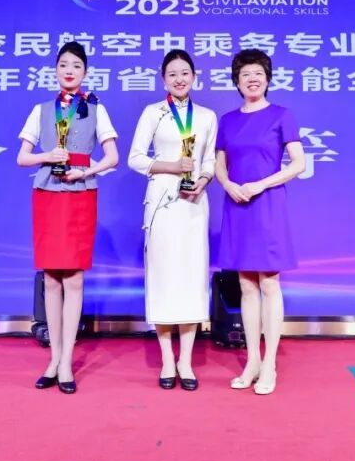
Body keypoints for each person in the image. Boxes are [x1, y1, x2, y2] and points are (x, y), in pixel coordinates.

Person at [16, 41, 119, 394]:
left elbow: (113, 157)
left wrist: (86, 171)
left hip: (80, 194)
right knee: (51, 279)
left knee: (74, 278)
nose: (69, 70)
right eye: (63, 65)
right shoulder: (41, 110)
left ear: (85, 72)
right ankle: (53, 358)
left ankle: (67, 363)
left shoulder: (96, 109)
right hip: (47, 194)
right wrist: (48, 155)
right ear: (56, 70)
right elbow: (22, 158)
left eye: (76, 65)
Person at [214, 48, 306, 395]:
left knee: (269, 282)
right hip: (237, 204)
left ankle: (269, 364)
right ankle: (252, 359)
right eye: (245, 74)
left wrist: (260, 184)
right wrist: (228, 185)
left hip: (267, 204)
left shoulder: (282, 115)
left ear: (267, 79)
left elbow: (298, 164)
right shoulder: (228, 120)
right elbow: (219, 163)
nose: (252, 79)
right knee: (246, 285)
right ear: (236, 81)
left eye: (258, 73)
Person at [127, 49, 217, 391]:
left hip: (193, 203)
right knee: (164, 276)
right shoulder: (154, 113)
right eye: (172, 74)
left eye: (185, 73)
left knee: (192, 277)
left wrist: (202, 181)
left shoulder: (206, 116)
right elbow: (136, 158)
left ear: (194, 76)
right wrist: (172, 166)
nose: (179, 79)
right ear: (163, 79)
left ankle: (186, 360)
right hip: (162, 202)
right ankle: (167, 357)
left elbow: (209, 161)